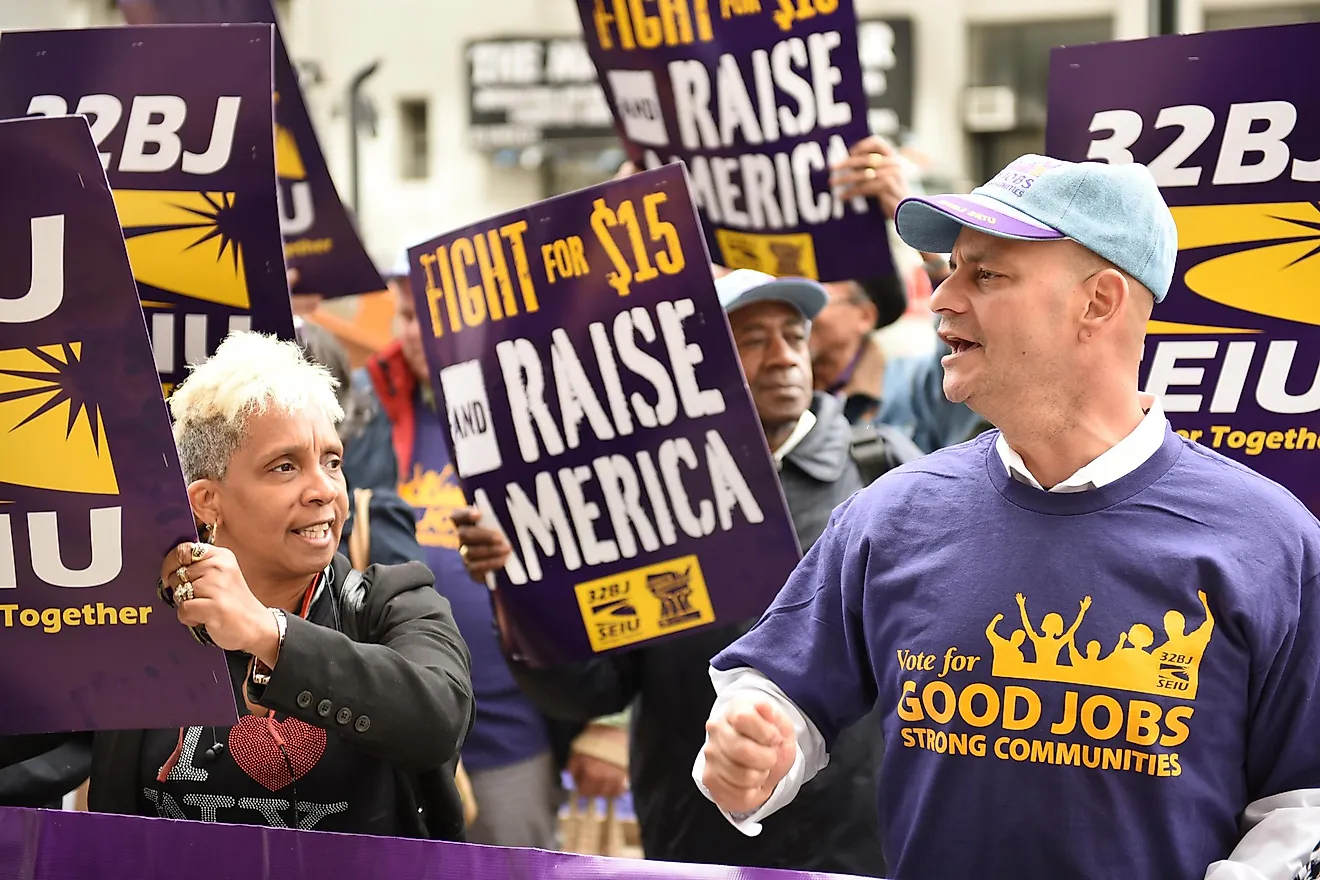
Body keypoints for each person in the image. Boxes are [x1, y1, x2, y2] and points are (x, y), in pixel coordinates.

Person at [694, 155, 1320, 879]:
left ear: (1099, 302)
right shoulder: (889, 515)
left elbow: (1301, 803)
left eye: (984, 275)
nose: (941, 299)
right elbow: (777, 696)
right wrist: (753, 749)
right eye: (951, 268)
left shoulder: (1272, 543)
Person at [455, 269, 889, 876]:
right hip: (698, 843)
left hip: (858, 845)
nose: (785, 356)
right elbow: (593, 686)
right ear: (694, 365)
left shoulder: (887, 477)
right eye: (753, 339)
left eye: (793, 335)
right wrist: (522, 589)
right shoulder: (642, 502)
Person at [0, 332, 474, 839]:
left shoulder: (392, 601)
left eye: (332, 461)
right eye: (285, 466)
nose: (324, 490)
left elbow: (438, 722)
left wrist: (270, 634)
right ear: (207, 501)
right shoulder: (142, 623)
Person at [344, 256, 574, 849]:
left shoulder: (541, 410)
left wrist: (605, 726)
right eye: (405, 313)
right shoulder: (367, 409)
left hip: (509, 732)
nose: (415, 331)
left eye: (431, 314)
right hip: (389, 719)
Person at [823, 137, 988, 447]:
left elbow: (973, 328)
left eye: (825, 287)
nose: (807, 306)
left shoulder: (910, 388)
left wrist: (910, 212)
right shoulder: (768, 393)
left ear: (864, 315)